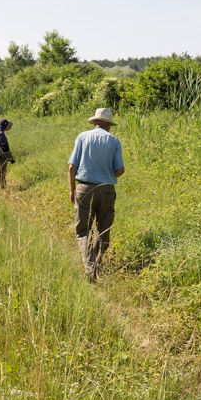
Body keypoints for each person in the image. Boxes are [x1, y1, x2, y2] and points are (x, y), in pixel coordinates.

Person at [68, 107, 125, 281]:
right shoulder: (114, 141)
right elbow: (120, 169)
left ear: (95, 122)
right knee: (103, 230)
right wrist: (106, 175)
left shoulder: (82, 137)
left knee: (82, 231)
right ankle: (95, 265)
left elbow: (72, 166)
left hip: (84, 188)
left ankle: (89, 267)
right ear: (108, 124)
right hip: (107, 189)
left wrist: (72, 191)